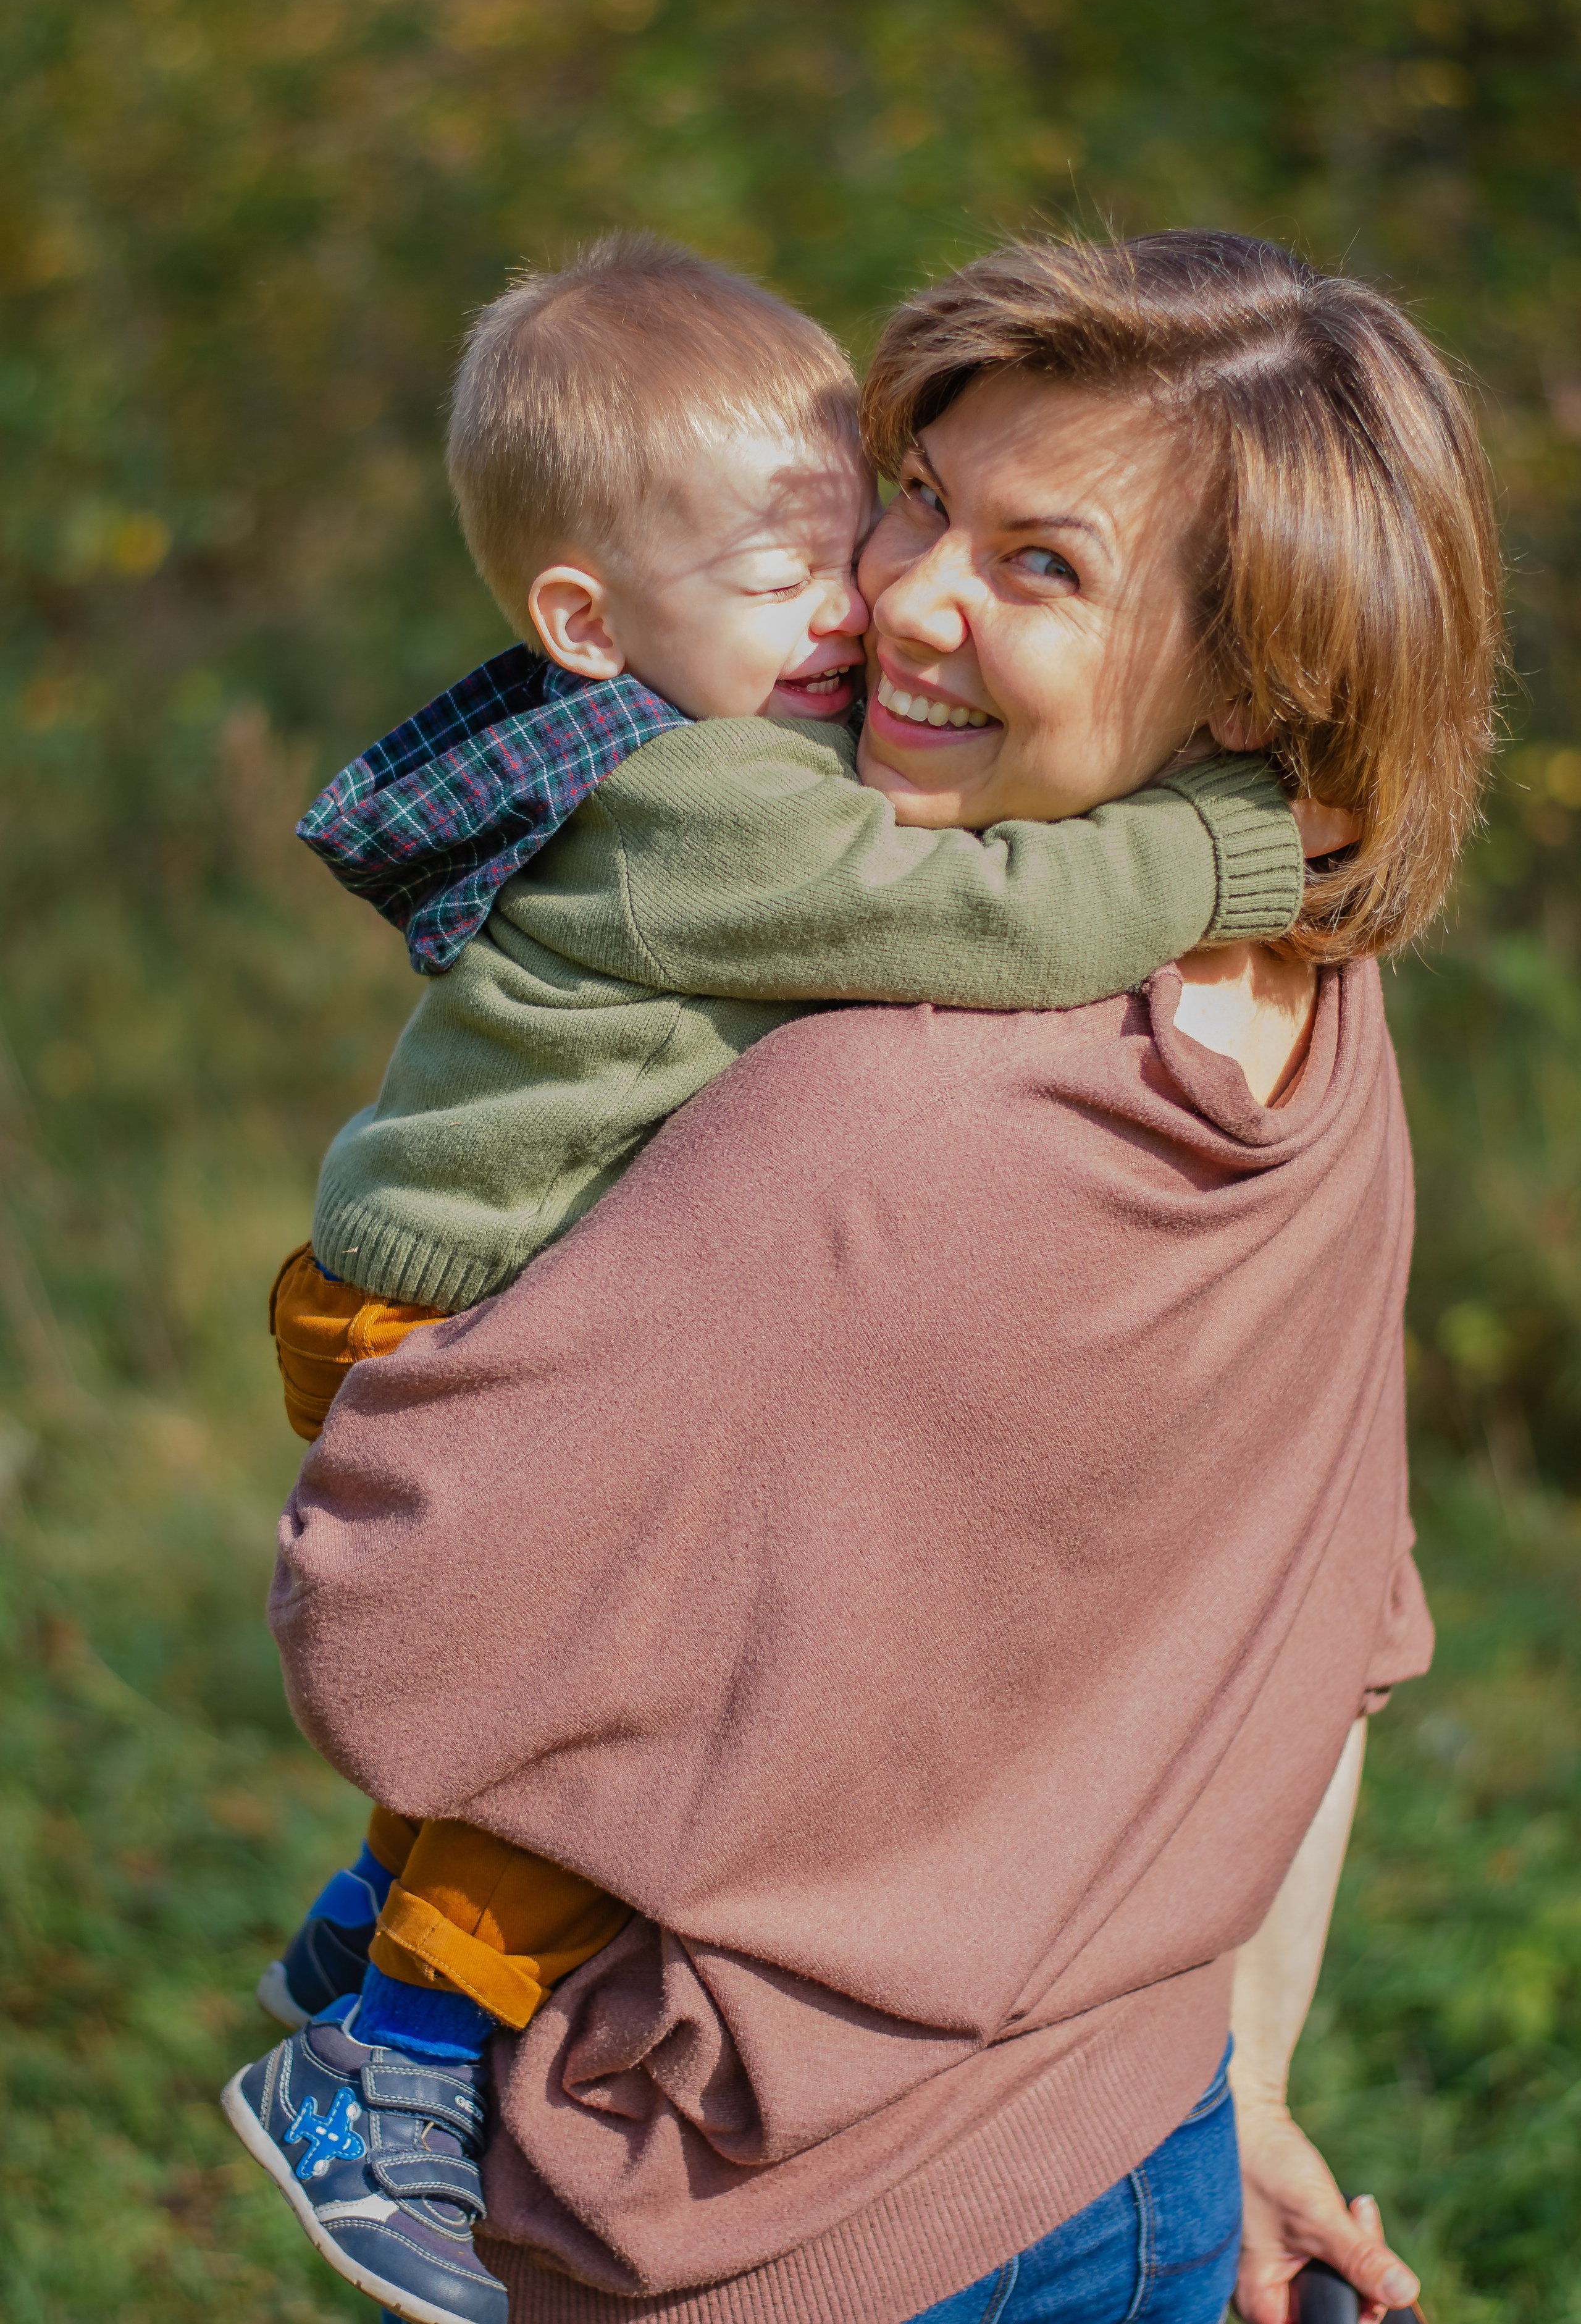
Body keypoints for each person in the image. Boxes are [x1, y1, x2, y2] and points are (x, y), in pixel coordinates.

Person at [241, 230, 1500, 2324]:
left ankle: (392, 1999)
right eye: (919, 497)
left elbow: (396, 1633)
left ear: (1258, 674)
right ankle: (391, 1983)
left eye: (1042, 564)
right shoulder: (1319, 1042)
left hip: (792, 2214)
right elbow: (1309, 1653)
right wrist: (1248, 2077)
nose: (899, 595)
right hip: (1109, 2153)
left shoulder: (868, 1122)